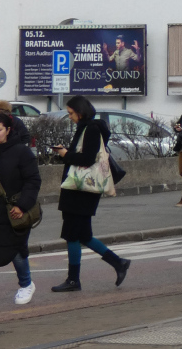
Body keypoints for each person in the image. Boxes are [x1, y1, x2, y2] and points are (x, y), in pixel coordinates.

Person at [50, 96, 130, 292]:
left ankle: (73, 280)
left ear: (80, 111)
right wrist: (66, 153)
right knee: (83, 235)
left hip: (81, 189)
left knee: (72, 234)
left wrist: (65, 154)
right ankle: (118, 263)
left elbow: (87, 158)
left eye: (71, 113)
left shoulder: (91, 129)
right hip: (80, 189)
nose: (70, 117)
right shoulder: (88, 127)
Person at [0, 112, 41, 312]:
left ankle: (26, 284)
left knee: (16, 251)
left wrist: (22, 205)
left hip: (12, 213)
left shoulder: (21, 152)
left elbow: (33, 180)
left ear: (8, 130)